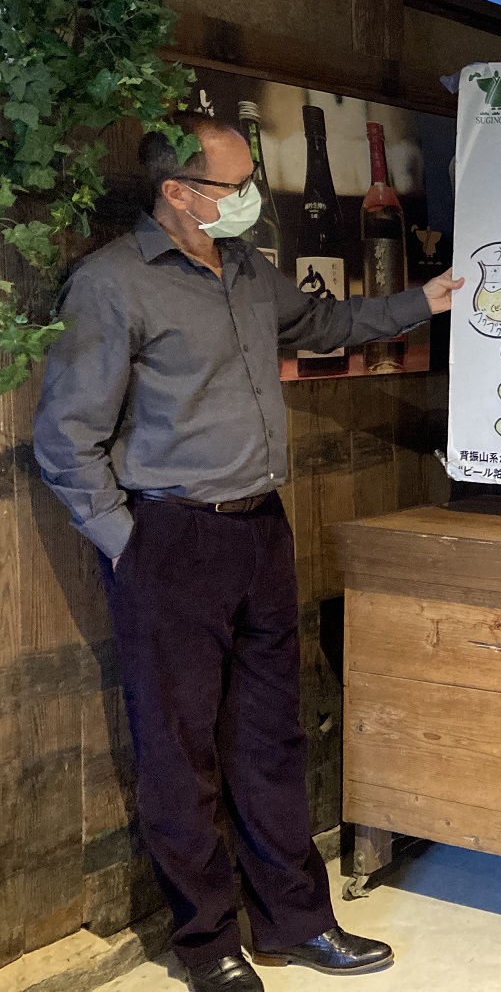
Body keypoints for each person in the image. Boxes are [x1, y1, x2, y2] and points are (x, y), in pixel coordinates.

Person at [33, 112, 464, 992]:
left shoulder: (244, 269)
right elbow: (66, 437)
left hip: (262, 528)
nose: (250, 199)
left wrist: (424, 301)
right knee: (178, 751)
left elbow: (323, 321)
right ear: (178, 192)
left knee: (271, 736)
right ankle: (207, 945)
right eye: (234, 186)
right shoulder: (112, 285)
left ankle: (296, 924)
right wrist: (127, 542)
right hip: (171, 538)